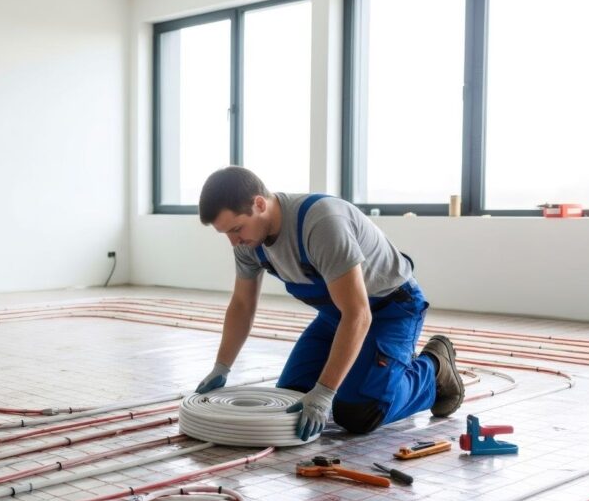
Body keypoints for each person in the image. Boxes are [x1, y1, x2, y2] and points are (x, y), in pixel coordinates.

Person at [194, 166, 464, 441]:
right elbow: (242, 304)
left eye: (236, 229)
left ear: (260, 204)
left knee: (358, 412)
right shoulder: (249, 243)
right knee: (290, 399)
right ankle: (375, 372)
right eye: (226, 233)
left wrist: (325, 392)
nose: (234, 242)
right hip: (337, 315)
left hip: (391, 311)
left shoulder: (321, 223)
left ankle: (434, 369)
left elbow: (358, 314)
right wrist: (221, 367)